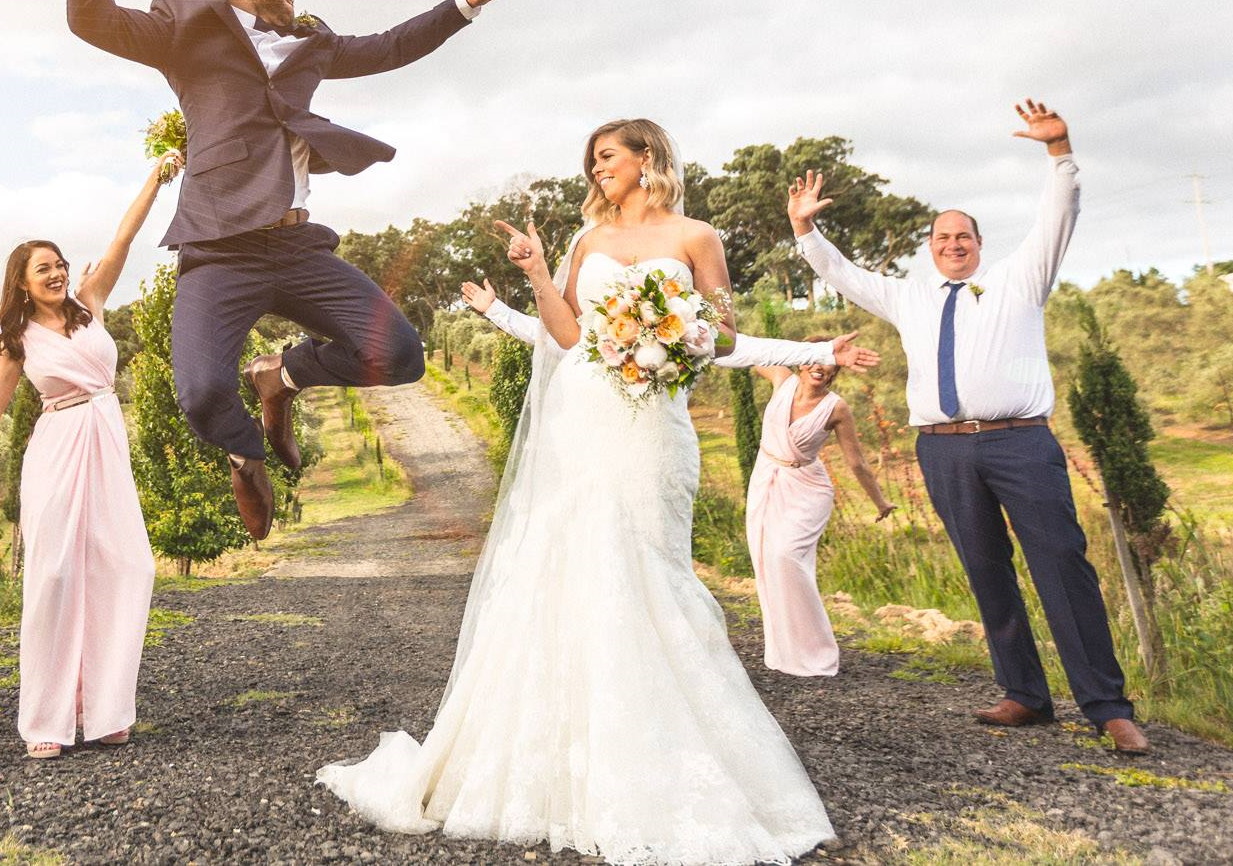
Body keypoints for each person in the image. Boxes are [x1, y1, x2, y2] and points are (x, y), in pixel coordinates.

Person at [319, 119, 869, 865]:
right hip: (582, 419)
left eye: (607, 156)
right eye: (592, 160)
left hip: (654, 426)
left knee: (650, 569)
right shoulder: (587, 240)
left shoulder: (698, 236)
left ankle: (658, 754)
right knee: (569, 564)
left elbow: (723, 337)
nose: (597, 169)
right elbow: (570, 336)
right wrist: (539, 272)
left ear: (648, 158)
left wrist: (774, 346)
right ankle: (557, 766)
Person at [65, 0, 510, 539]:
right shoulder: (182, 24)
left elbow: (388, 47)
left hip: (298, 249)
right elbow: (93, 20)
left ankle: (283, 375)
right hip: (219, 248)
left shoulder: (311, 40)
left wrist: (463, 4)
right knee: (202, 394)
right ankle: (246, 453)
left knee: (401, 354)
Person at [788, 98, 1150, 754]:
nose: (952, 244)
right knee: (986, 569)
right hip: (944, 451)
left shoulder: (1020, 280)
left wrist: (1059, 151)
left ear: (980, 245)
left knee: (1061, 566)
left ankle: (1107, 707)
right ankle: (1025, 694)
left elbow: (1058, 216)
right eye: (942, 238)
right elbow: (840, 272)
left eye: (964, 237)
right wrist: (805, 229)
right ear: (930, 249)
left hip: (1020, 443)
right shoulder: (909, 296)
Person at [0, 150, 181, 758]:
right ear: (22, 282)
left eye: (59, 264)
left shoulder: (90, 303)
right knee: (54, 577)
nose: (56, 274)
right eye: (43, 269)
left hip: (106, 444)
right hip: (56, 452)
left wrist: (155, 179)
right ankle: (47, 721)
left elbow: (123, 237)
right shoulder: (17, 339)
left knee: (126, 567)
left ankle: (105, 710)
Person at [744, 347, 894, 677]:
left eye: (829, 364)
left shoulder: (836, 407)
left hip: (808, 489)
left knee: (786, 556)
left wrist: (881, 502)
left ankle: (817, 650)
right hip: (767, 478)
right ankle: (785, 648)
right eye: (814, 358)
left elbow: (857, 462)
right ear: (801, 361)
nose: (820, 367)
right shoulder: (781, 379)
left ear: (835, 371)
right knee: (767, 561)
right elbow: (749, 354)